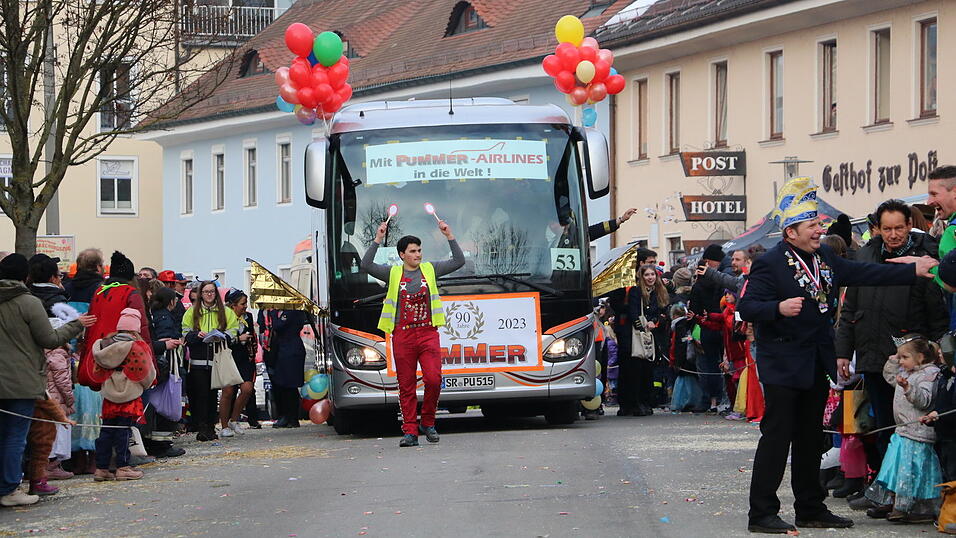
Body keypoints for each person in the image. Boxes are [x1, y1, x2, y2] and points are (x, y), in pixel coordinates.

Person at [738, 176, 938, 534]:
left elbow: (861, 271)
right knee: (777, 436)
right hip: (783, 364)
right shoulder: (770, 263)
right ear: (791, 231)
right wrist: (778, 308)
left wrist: (911, 270)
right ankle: (762, 512)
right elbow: (747, 306)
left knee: (811, 437)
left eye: (818, 224)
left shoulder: (825, 256)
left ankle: (810, 508)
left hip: (816, 360)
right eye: (812, 225)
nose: (819, 230)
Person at [836, 198, 948, 475]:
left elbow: (937, 314)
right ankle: (885, 485)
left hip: (913, 361)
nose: (894, 234)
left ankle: (913, 488)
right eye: (887, 229)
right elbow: (850, 309)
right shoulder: (864, 257)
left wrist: (938, 350)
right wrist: (842, 351)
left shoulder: (926, 259)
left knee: (914, 427)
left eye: (899, 228)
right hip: (872, 355)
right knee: (881, 424)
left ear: (910, 225)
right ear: (878, 229)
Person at [0, 254, 95, 507]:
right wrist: (76, 325)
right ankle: (8, 489)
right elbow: (49, 340)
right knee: (15, 437)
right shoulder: (27, 302)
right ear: (25, 276)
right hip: (21, 381)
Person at [361, 218, 465, 447]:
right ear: (401, 255)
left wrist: (449, 234)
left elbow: (459, 260)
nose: (418, 255)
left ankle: (427, 422)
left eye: (419, 250)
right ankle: (410, 432)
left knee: (434, 379)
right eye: (413, 251)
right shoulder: (393, 273)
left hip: (428, 333)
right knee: (406, 385)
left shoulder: (430, 269)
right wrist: (378, 238)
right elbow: (366, 265)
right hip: (402, 336)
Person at [863, 336, 941, 523]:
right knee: (898, 471)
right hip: (902, 432)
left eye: (904, 357)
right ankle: (899, 505)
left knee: (913, 473)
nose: (901, 361)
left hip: (918, 433)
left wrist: (908, 388)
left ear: (920, 357)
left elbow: (924, 400)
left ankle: (918, 508)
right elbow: (890, 377)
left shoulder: (929, 375)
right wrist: (893, 360)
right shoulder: (907, 372)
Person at [90, 308, 155, 481]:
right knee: (124, 431)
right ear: (135, 329)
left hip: (109, 394)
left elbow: (96, 371)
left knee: (107, 430)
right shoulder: (136, 347)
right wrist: (144, 385)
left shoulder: (104, 345)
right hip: (130, 394)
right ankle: (123, 466)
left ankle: (102, 468)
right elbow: (147, 373)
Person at [62, 248, 104, 475]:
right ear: (98, 267)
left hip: (68, 354)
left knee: (74, 406)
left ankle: (76, 457)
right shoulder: (100, 290)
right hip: (93, 354)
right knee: (94, 406)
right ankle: (94, 458)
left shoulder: (67, 289)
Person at [182, 281, 239, 441]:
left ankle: (211, 427)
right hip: (198, 360)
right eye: (206, 291)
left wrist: (224, 336)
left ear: (216, 293)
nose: (209, 294)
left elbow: (234, 329)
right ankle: (202, 428)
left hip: (217, 358)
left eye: (212, 292)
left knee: (213, 395)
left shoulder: (226, 311)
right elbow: (185, 333)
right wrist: (197, 335)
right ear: (201, 294)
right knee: (200, 395)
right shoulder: (191, 312)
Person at [621, 264, 669, 417]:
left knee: (650, 370)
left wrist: (655, 322)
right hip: (639, 335)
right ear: (642, 277)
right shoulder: (636, 292)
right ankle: (637, 403)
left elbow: (664, 312)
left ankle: (647, 401)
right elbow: (633, 313)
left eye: (652, 275)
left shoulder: (659, 292)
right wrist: (643, 326)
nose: (650, 278)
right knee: (638, 371)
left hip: (654, 335)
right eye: (647, 275)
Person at [143, 287, 185, 458]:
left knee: (157, 404)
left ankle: (156, 442)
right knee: (165, 406)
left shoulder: (154, 314)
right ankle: (162, 445)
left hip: (160, 364)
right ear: (171, 302)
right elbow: (166, 340)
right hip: (167, 364)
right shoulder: (165, 317)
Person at [690, 244, 726, 413]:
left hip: (706, 327)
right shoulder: (721, 281)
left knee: (708, 366)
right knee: (725, 363)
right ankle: (722, 399)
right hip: (723, 326)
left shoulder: (699, 285)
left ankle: (708, 400)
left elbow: (694, 309)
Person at [222, 289, 256, 436]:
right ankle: (224, 426)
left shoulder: (247, 317)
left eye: (246, 303)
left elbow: (252, 335)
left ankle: (234, 420)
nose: (245, 306)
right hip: (228, 356)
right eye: (242, 304)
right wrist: (237, 339)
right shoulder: (223, 317)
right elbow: (220, 337)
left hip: (243, 357)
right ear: (233, 305)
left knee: (247, 389)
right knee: (228, 392)